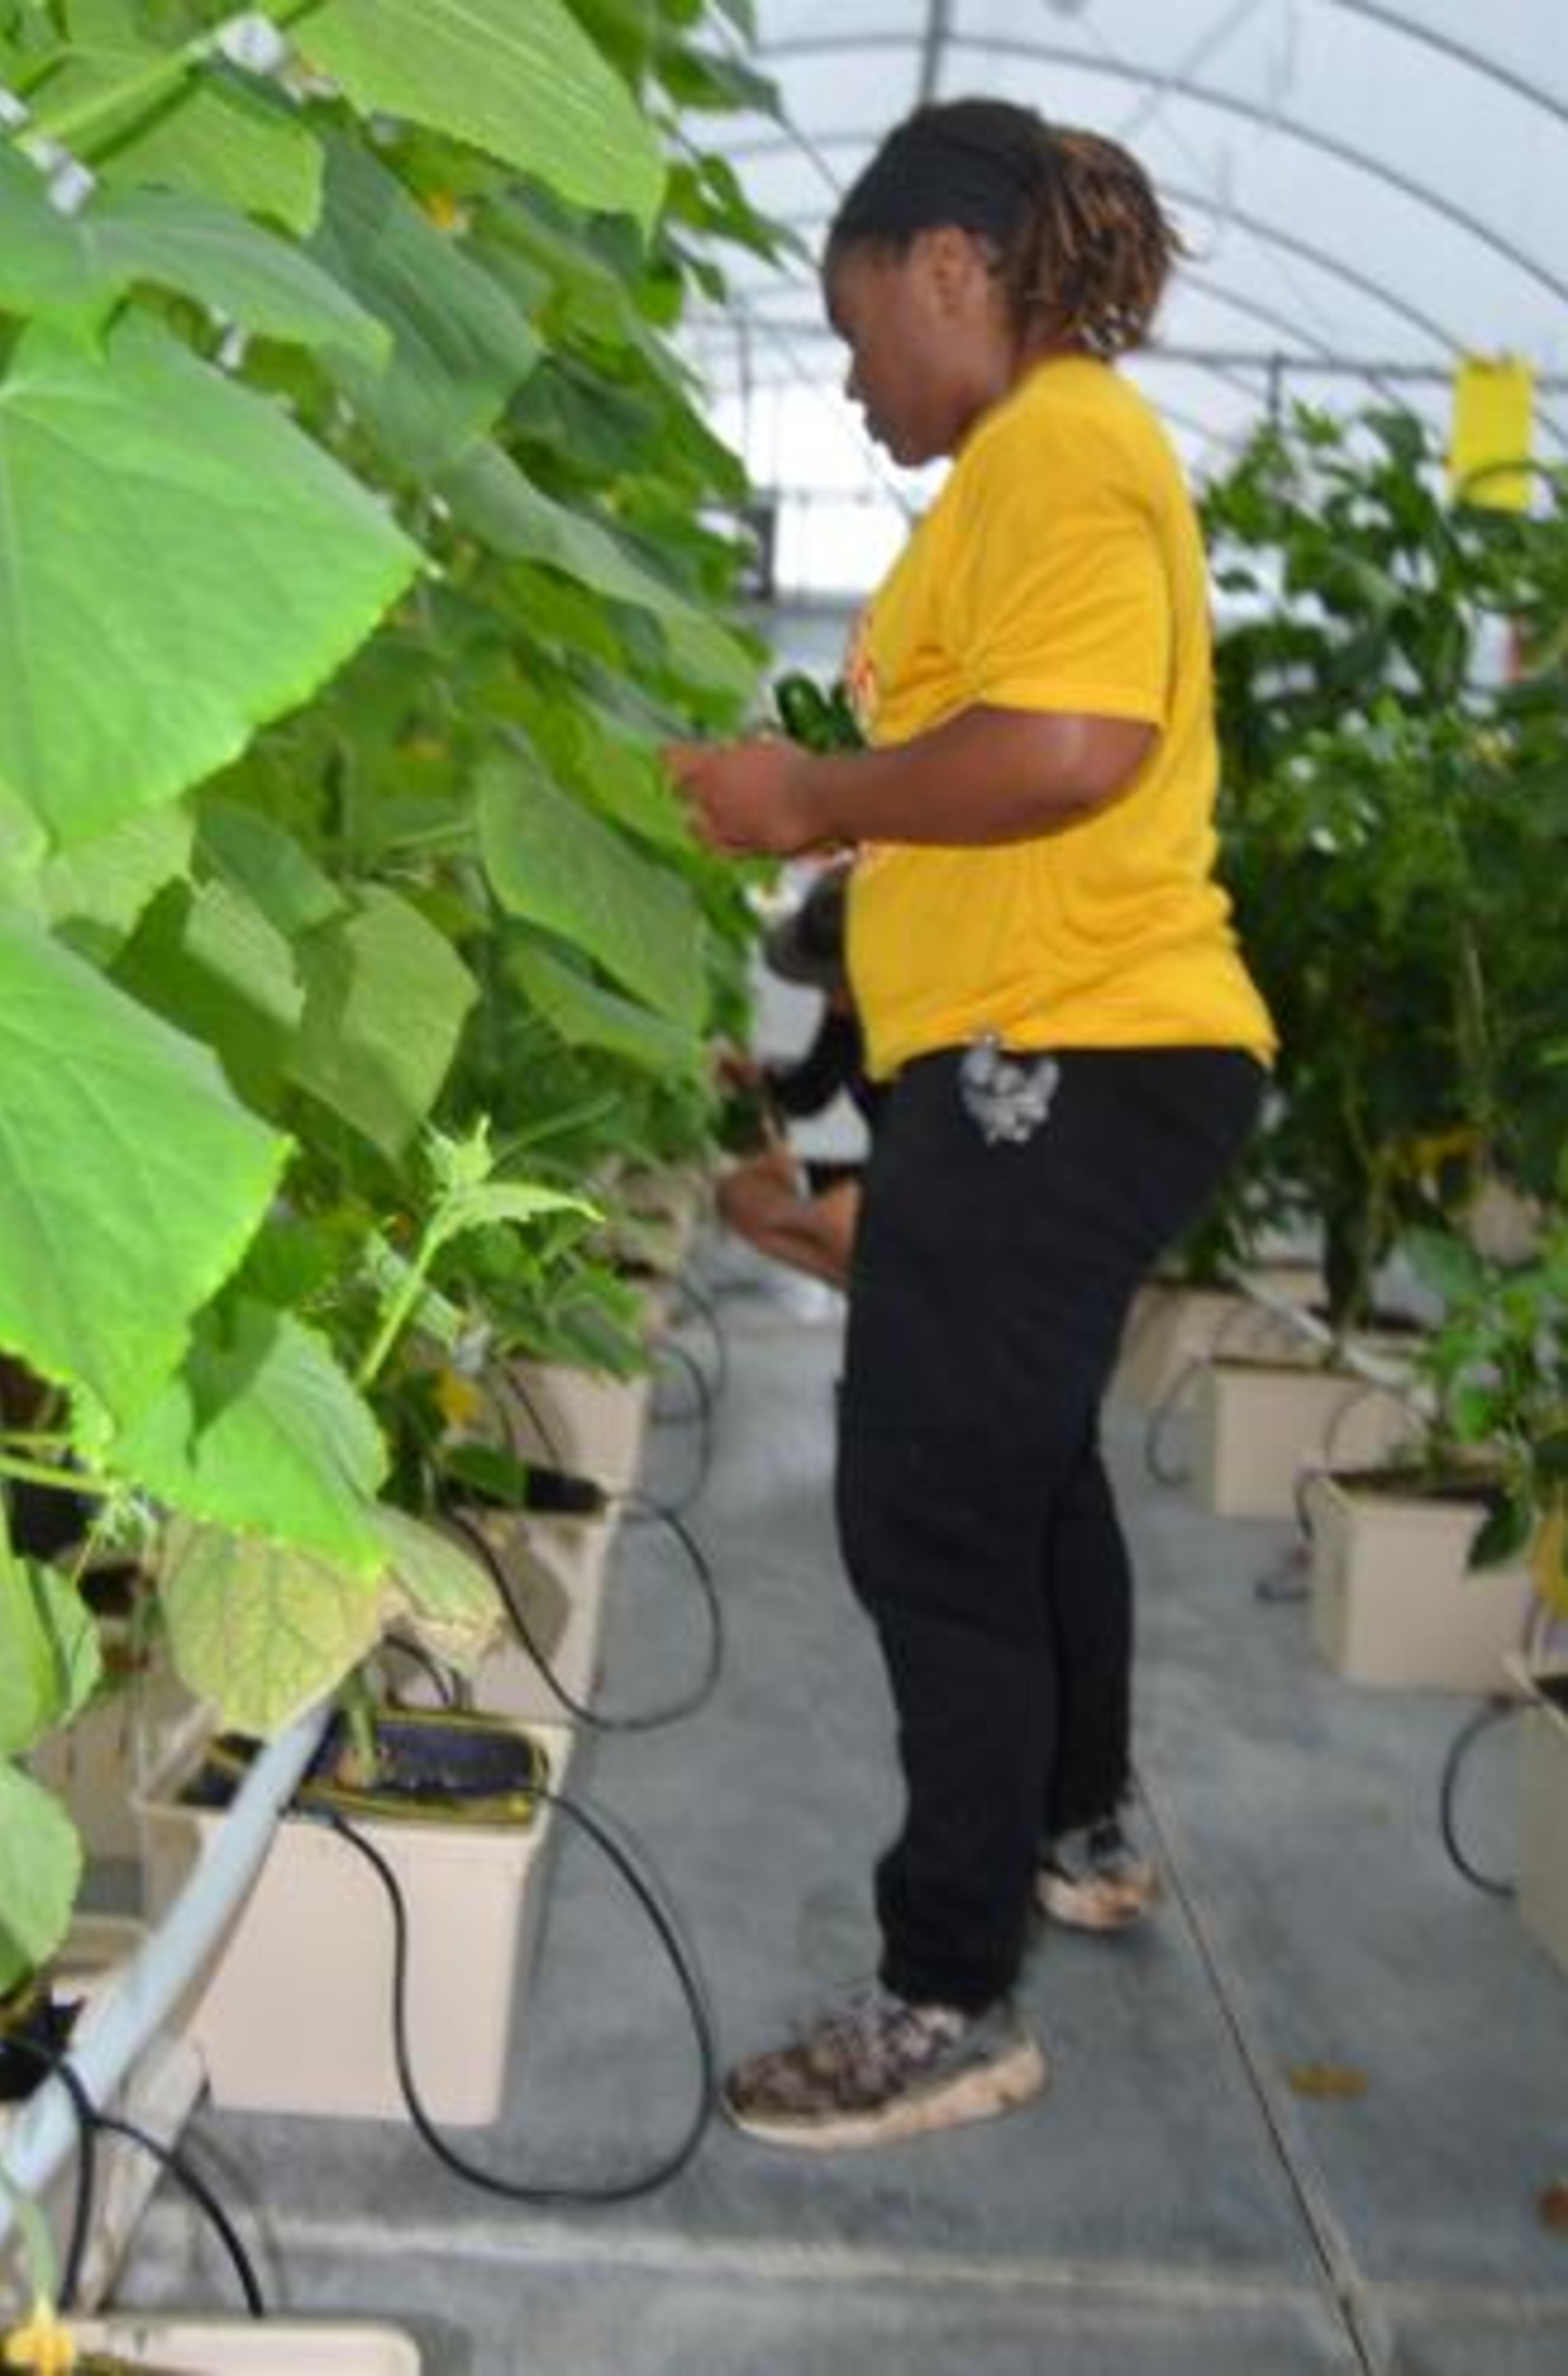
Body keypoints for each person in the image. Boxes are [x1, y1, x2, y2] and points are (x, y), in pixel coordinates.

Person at [666, 98, 1274, 2153]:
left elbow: (1077, 744)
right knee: (1017, 1486)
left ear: (951, 266)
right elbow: (972, 741)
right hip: (1062, 1044)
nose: (849, 385)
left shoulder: (1060, 448)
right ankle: (1077, 1819)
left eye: (855, 334)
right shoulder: (1021, 477)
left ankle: (943, 1991)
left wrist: (815, 804)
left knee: (929, 1505)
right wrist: (808, 776)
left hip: (1068, 1039)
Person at [716, 863, 880, 1293]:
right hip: (896, 1183)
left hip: (945, 1196)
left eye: (840, 983)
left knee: (839, 1217)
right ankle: (888, 1310)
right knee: (741, 1197)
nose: (832, 998)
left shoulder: (947, 1038)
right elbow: (810, 1092)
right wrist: (760, 1081)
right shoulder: (850, 1013)